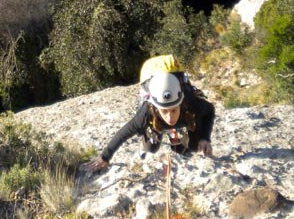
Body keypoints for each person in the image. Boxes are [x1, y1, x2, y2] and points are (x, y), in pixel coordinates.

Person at [86, 71, 215, 172]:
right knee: (151, 149)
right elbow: (124, 133)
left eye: (174, 110)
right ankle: (158, 137)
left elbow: (210, 110)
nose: (170, 118)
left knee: (192, 148)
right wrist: (105, 157)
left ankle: (179, 144)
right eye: (164, 111)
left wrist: (205, 138)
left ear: (181, 102)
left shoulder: (191, 103)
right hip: (156, 124)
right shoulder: (147, 113)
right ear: (155, 107)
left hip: (185, 119)